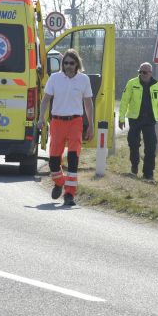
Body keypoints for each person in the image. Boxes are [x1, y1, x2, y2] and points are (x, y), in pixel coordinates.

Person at [37, 49, 94, 206]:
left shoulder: (84, 80)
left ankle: (69, 194)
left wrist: (91, 125)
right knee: (54, 161)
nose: (68, 66)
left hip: (75, 122)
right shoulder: (55, 78)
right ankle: (59, 181)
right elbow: (45, 100)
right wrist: (41, 118)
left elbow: (88, 104)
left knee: (74, 158)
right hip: (57, 122)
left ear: (77, 64)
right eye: (66, 63)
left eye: (71, 63)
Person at [118, 62, 158, 181]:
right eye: (140, 72)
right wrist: (121, 118)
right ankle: (134, 165)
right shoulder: (132, 83)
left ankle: (148, 173)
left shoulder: (157, 85)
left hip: (150, 120)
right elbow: (124, 101)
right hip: (135, 119)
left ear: (150, 73)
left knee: (151, 147)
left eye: (145, 72)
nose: (142, 74)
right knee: (133, 143)